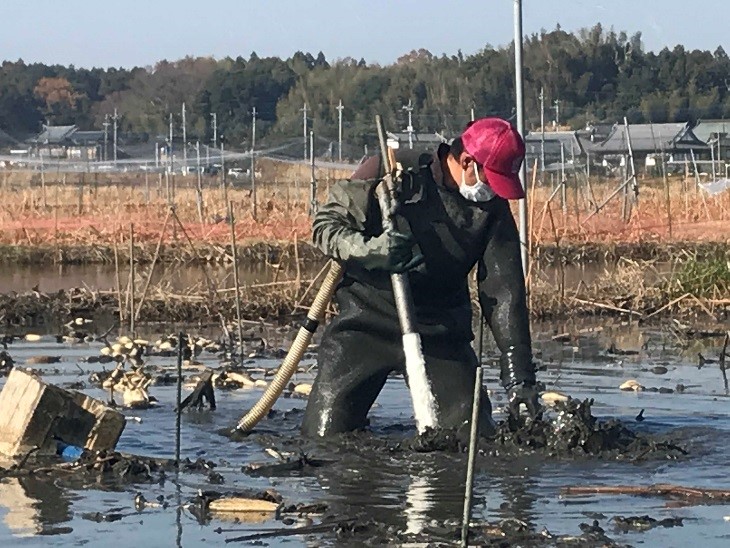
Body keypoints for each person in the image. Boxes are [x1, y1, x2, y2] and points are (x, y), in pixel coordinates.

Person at [301, 117, 539, 438]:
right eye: (492, 180)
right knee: (324, 437)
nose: (494, 192)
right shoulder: (391, 169)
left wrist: (519, 378)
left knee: (469, 437)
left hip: (440, 332)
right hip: (365, 322)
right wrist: (371, 250)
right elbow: (326, 227)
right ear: (468, 161)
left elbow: (504, 294)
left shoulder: (491, 208)